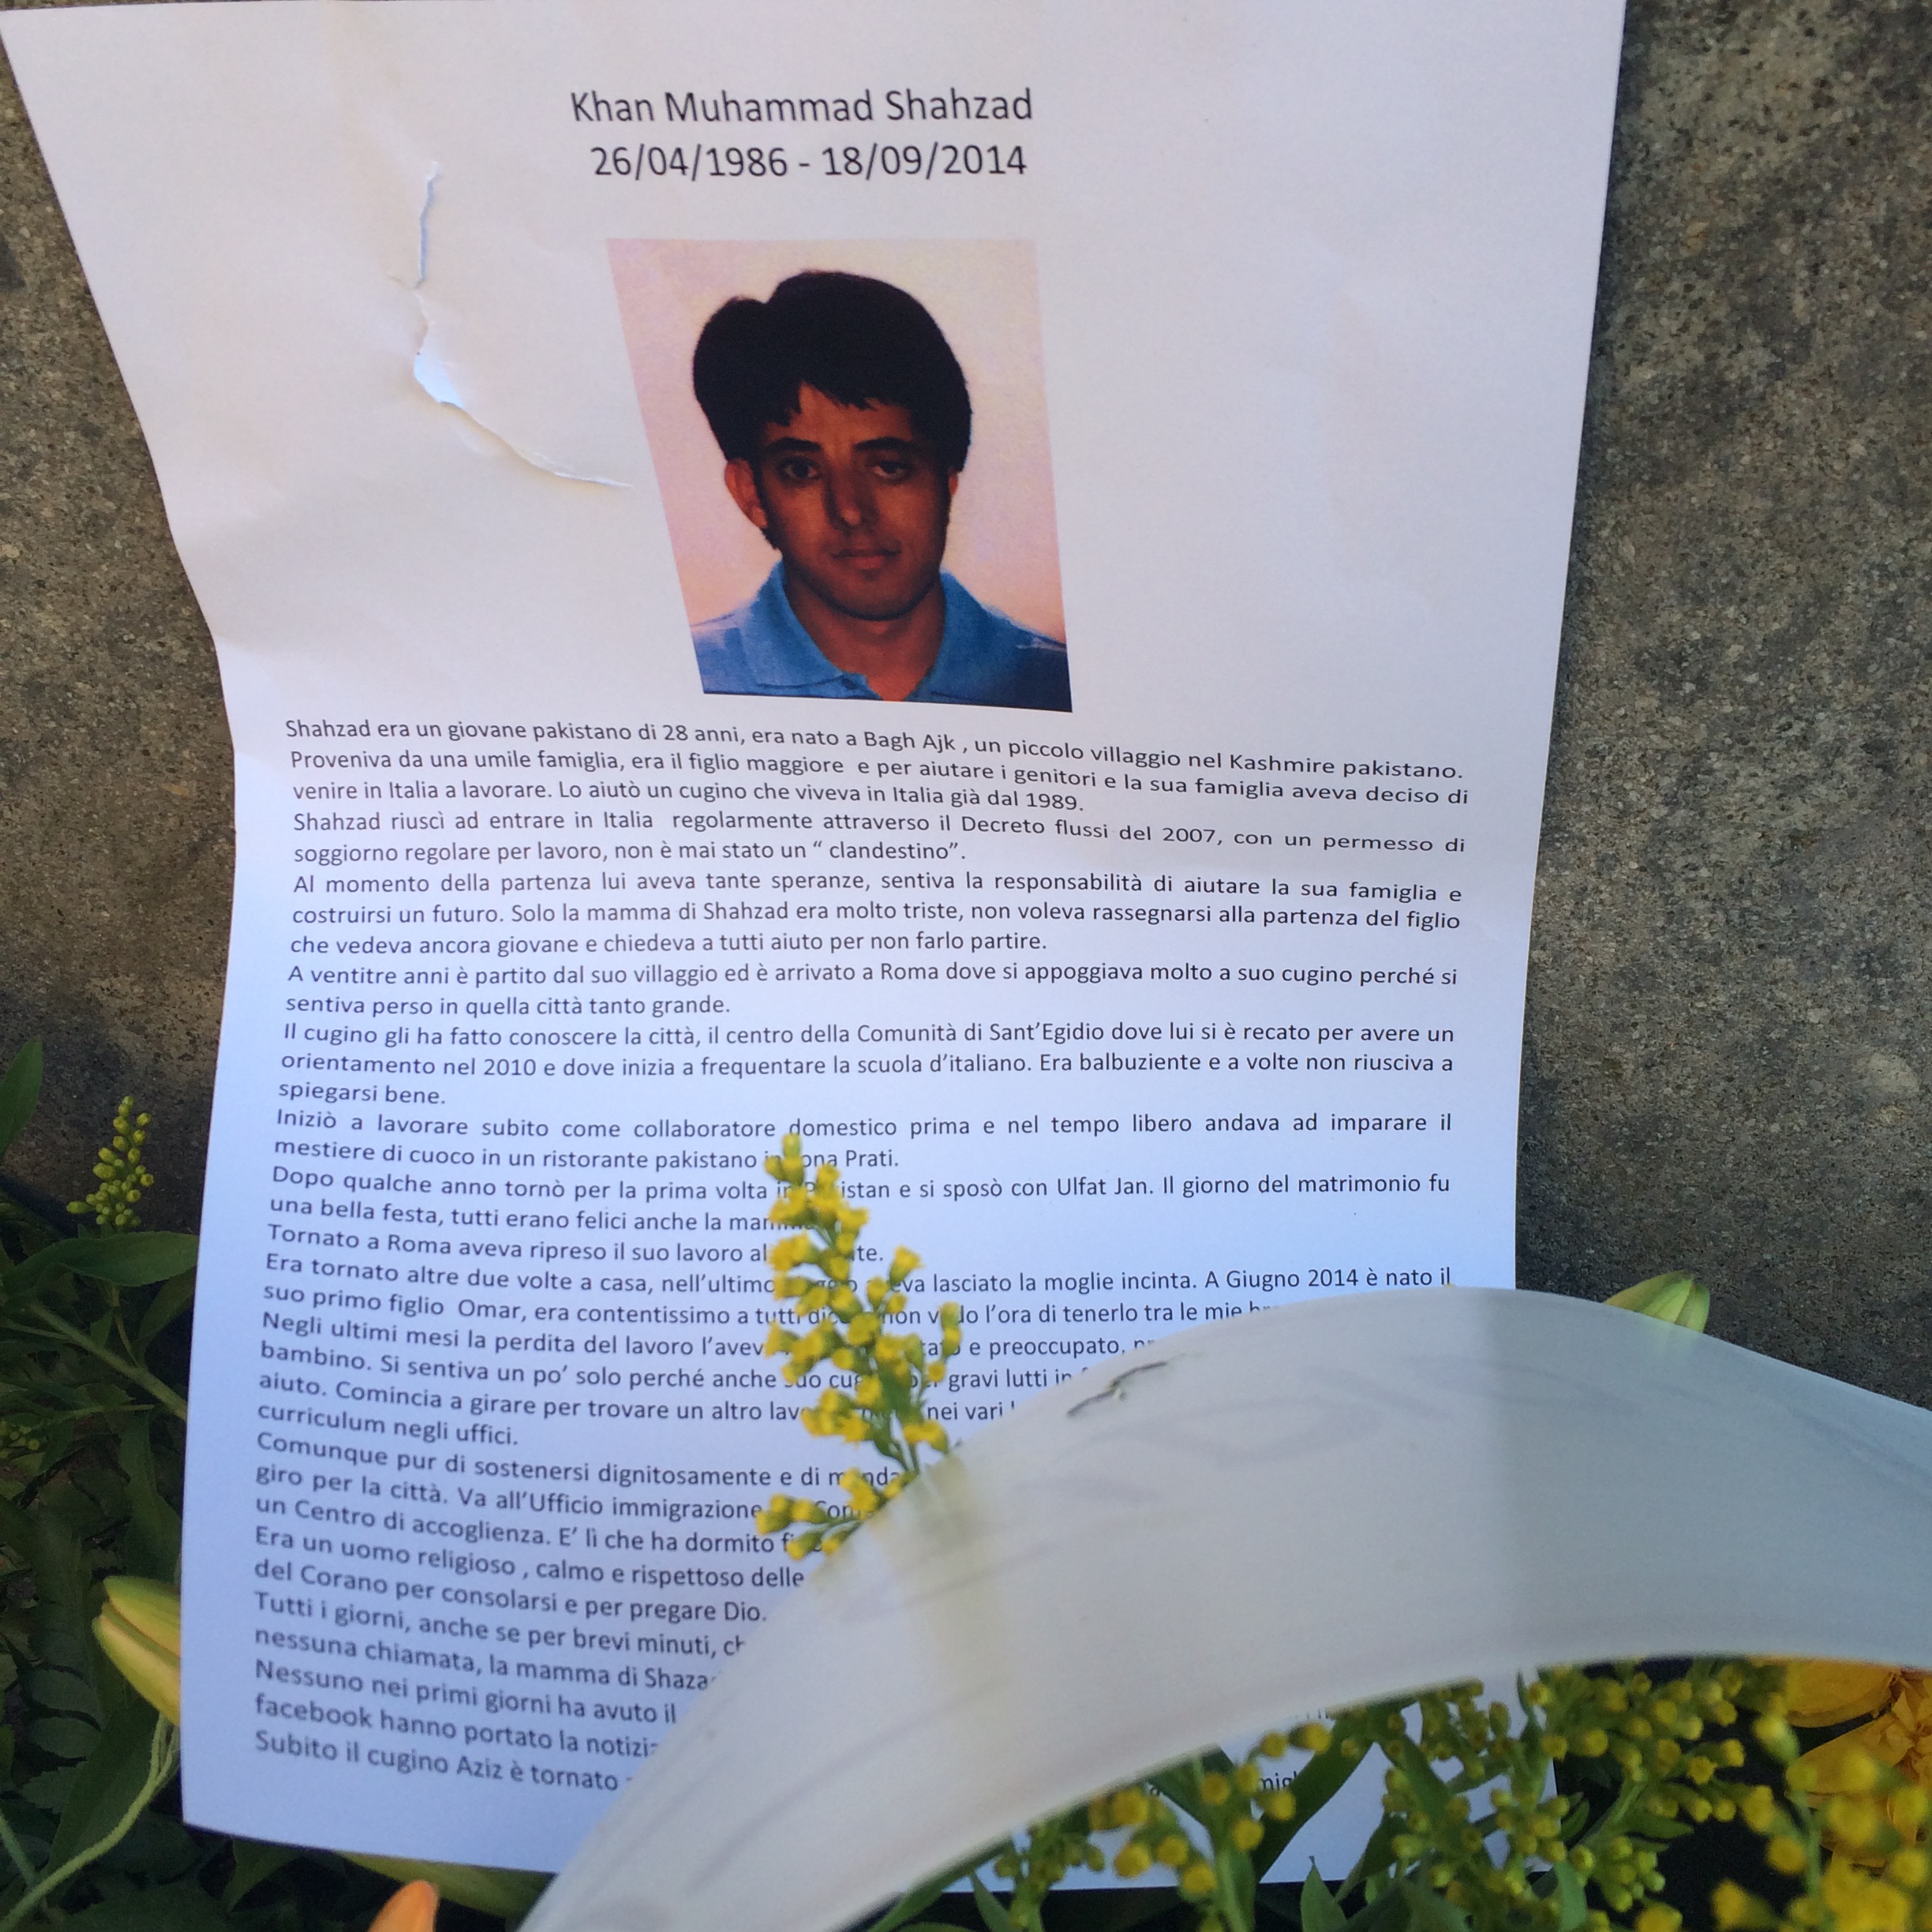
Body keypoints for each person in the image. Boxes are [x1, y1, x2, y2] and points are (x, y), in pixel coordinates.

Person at [687, 270, 1070, 710]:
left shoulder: (1055, 684)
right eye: (802, 470)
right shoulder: (682, 680)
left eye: (889, 468)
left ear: (947, 478)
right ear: (751, 494)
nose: (850, 511)